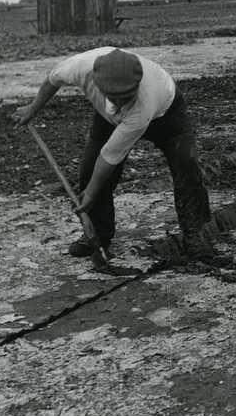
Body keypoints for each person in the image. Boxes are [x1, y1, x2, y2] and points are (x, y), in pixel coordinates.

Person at [12, 47, 213, 261]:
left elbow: (110, 156)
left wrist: (89, 194)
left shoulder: (144, 103)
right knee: (89, 171)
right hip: (106, 117)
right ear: (98, 83)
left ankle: (194, 234)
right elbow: (53, 80)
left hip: (167, 115)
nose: (120, 103)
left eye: (126, 97)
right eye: (114, 97)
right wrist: (33, 108)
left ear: (136, 85)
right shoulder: (79, 67)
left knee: (187, 164)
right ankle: (98, 236)